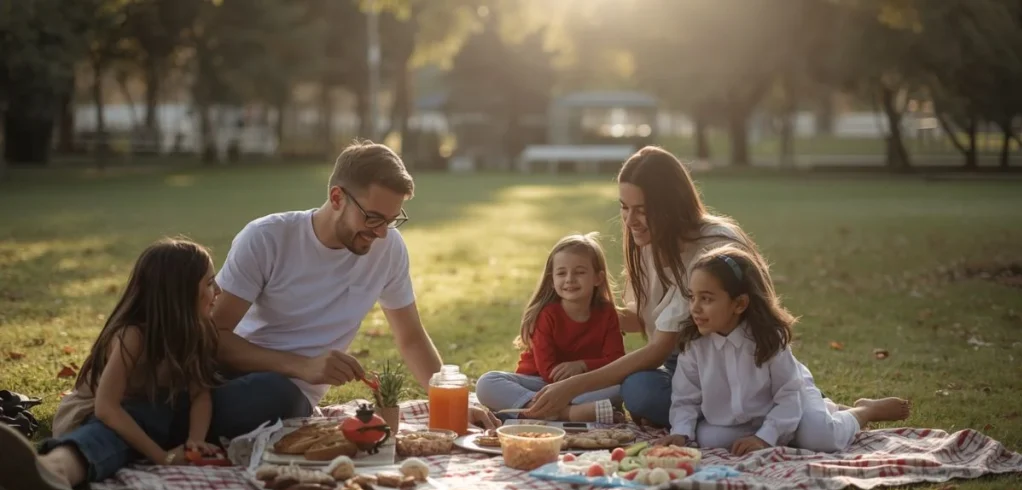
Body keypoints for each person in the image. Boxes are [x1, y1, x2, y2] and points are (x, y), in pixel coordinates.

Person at [210, 140, 498, 429]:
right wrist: (302, 366)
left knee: (279, 398)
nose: (382, 233)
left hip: (289, 400)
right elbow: (212, 337)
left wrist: (455, 401)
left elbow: (411, 337)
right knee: (261, 393)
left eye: (391, 220)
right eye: (373, 218)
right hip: (234, 377)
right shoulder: (267, 238)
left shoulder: (388, 250)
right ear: (337, 198)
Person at [526, 146, 764, 426]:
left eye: (641, 210)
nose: (629, 221)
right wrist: (567, 314)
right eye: (624, 208)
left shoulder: (710, 250)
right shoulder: (649, 241)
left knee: (641, 394)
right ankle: (715, 417)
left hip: (734, 368)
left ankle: (741, 413)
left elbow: (659, 348)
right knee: (638, 387)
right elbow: (644, 318)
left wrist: (573, 385)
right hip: (686, 366)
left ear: (671, 206)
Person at [0, 238, 225, 490]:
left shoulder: (200, 331)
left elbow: (201, 394)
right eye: (210, 282)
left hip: (153, 416)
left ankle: (29, 478)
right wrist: (162, 459)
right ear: (180, 291)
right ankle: (51, 471)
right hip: (99, 417)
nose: (219, 290)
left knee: (155, 414)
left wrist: (195, 441)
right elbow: (107, 408)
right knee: (109, 438)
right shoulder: (134, 336)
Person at [653, 246, 911, 454]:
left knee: (819, 438)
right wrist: (681, 432)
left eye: (706, 299)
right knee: (709, 438)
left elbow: (789, 396)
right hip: (741, 421)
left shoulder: (768, 340)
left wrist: (765, 438)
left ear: (740, 304)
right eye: (692, 296)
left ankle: (863, 411)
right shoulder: (694, 345)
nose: (695, 307)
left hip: (791, 399)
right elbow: (686, 399)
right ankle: (814, 418)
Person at [475, 233, 626, 423]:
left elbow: (616, 361)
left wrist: (582, 366)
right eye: (562, 273)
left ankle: (527, 412)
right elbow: (548, 371)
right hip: (538, 384)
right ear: (552, 279)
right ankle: (566, 414)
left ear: (598, 278)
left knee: (623, 386)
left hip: (582, 386)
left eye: (579, 272)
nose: (570, 279)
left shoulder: (607, 313)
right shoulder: (547, 315)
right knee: (487, 383)